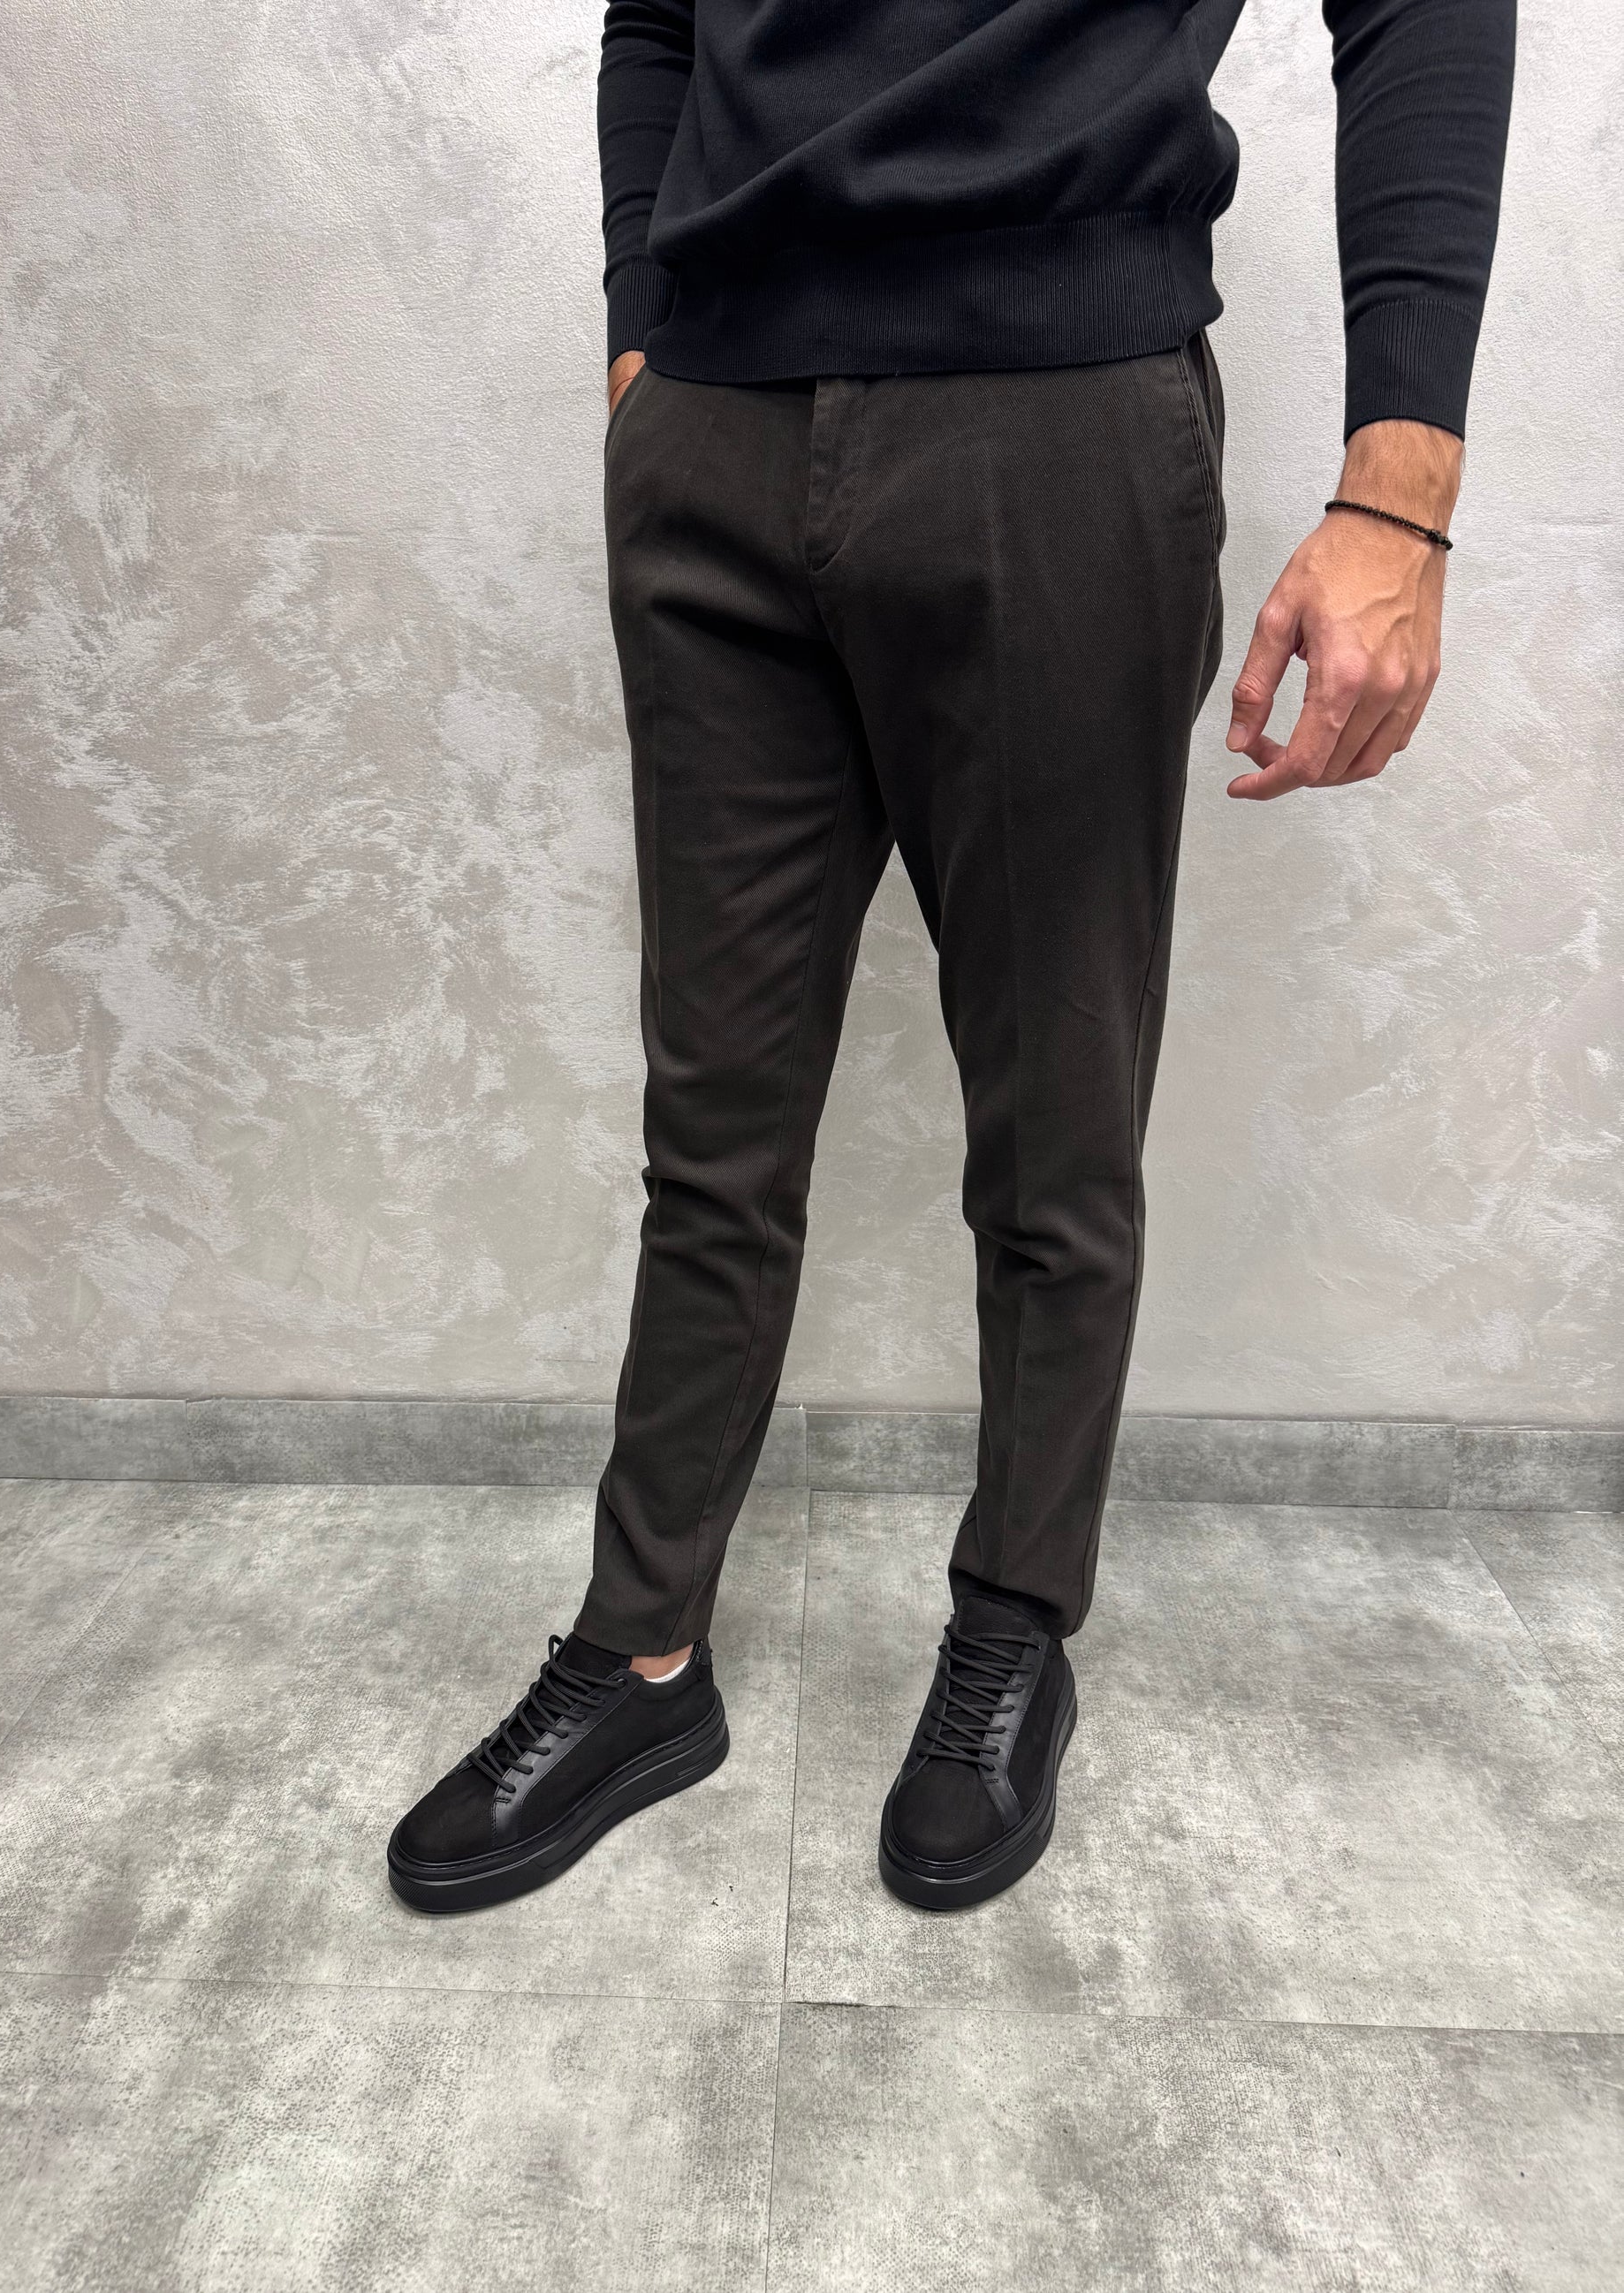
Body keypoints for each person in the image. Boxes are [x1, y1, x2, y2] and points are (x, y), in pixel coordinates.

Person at [388, 0, 1515, 1915]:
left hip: (1057, 415)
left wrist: (1399, 486)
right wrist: (641, 333)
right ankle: (640, 1652)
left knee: (1053, 1116)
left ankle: (1011, 1626)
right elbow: (658, 16)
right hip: (715, 426)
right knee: (713, 1126)